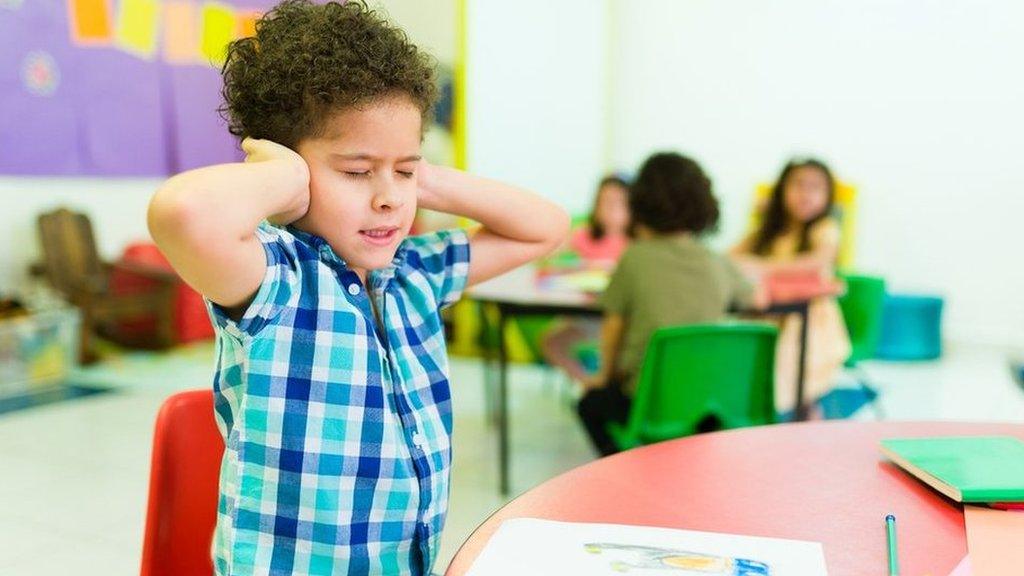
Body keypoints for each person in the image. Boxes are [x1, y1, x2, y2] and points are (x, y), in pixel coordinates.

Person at [147, 2, 569, 573]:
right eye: (355, 171)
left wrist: (422, 177)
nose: (389, 197)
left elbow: (546, 227)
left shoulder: (415, 274)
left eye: (404, 170)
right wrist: (286, 176)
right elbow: (184, 213)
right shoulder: (275, 278)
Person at [578, 152, 761, 456]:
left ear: (639, 203)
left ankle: (625, 466)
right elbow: (756, 299)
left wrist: (603, 377)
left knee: (590, 404)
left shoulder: (634, 258)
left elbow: (613, 327)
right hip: (709, 404)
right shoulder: (715, 260)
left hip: (647, 402)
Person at [731, 158, 851, 414]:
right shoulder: (769, 231)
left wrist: (761, 266)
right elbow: (730, 257)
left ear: (827, 196)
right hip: (768, 315)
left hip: (811, 320)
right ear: (781, 190)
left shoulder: (824, 228)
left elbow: (818, 261)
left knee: (790, 359)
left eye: (815, 187)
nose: (805, 195)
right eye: (798, 185)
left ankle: (798, 412)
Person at [540, 175, 631, 382]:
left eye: (618, 203)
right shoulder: (584, 235)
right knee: (551, 343)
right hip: (584, 315)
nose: (610, 209)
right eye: (604, 202)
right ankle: (589, 386)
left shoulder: (634, 243)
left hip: (617, 317)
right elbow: (549, 257)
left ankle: (603, 385)